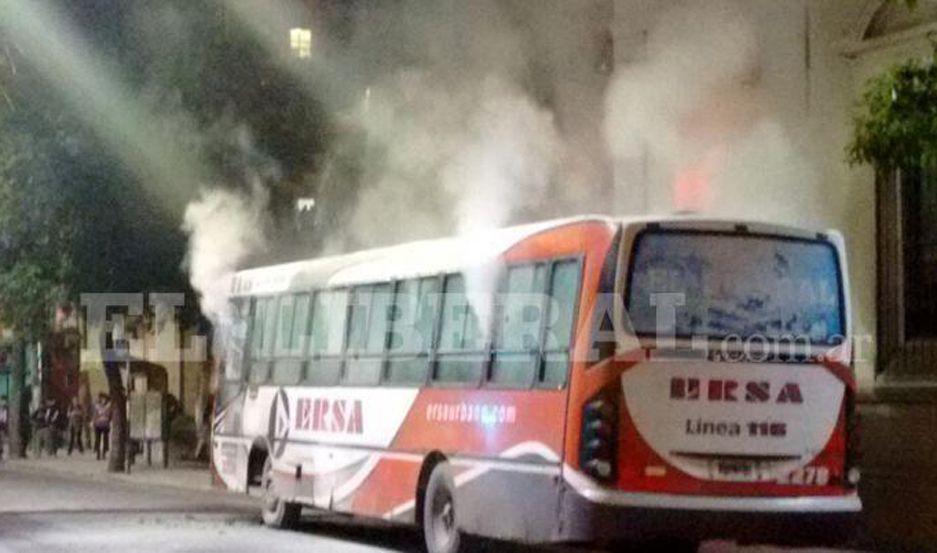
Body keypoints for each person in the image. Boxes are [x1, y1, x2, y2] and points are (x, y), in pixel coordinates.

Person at [92, 393, 111, 460]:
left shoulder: (108, 406)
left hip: (105, 424)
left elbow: (109, 415)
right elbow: (94, 415)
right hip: (98, 424)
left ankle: (104, 453)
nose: (103, 400)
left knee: (105, 439)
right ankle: (98, 453)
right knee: (97, 439)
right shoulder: (97, 406)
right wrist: (94, 422)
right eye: (102, 399)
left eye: (104, 399)